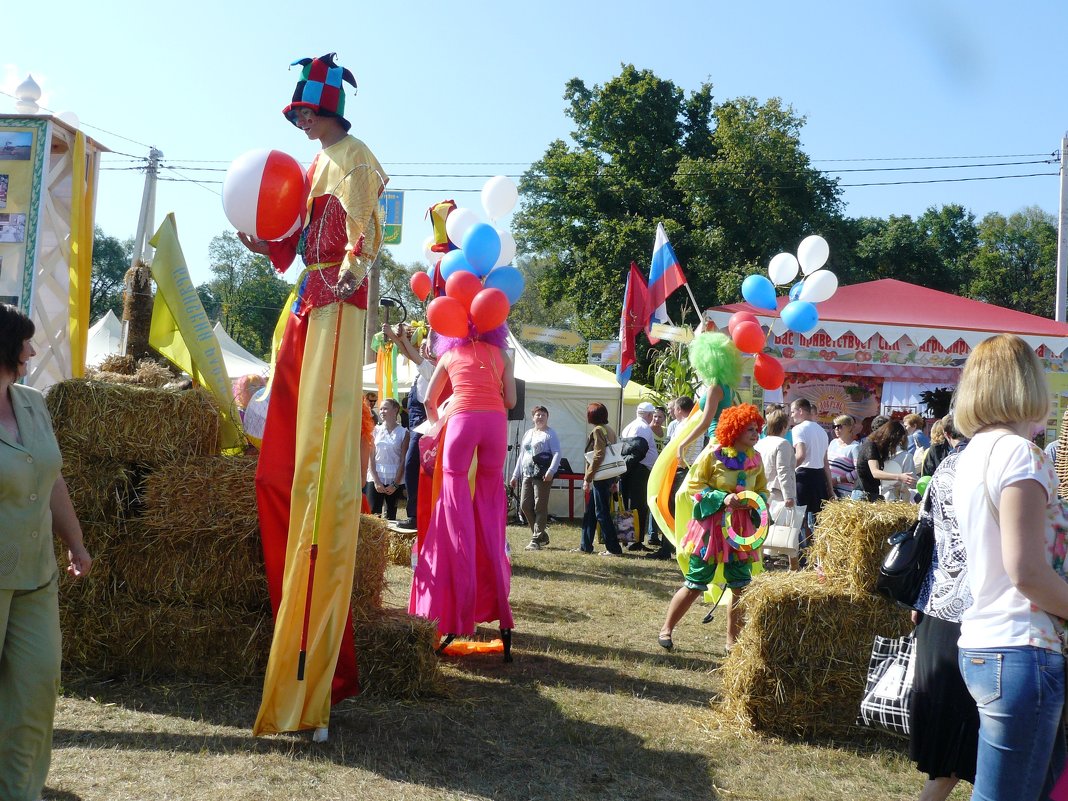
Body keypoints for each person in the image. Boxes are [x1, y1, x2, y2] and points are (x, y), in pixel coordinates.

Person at [239, 52, 387, 737]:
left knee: (317, 485)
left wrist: (336, 285)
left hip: (331, 315)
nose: (298, 121)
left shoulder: (354, 157)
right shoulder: (310, 168)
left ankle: (316, 675)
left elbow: (361, 243)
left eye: (303, 111)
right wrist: (261, 242)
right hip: (303, 315)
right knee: (280, 477)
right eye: (293, 112)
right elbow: (294, 242)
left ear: (325, 109)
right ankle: (299, 656)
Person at [951, 334, 1068, 801]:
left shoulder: (970, 455)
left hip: (988, 644)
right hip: (1023, 646)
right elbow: (1026, 572)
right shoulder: (1020, 454)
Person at [0, 303, 92, 799]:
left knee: (35, 690)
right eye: (24, 342)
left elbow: (51, 476)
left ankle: (21, 792)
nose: (32, 350)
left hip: (37, 576)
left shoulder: (33, 402)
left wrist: (74, 542)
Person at [409, 323, 517, 660]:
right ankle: (497, 607)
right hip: (495, 423)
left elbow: (428, 399)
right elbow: (511, 400)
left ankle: (455, 603)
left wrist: (437, 423)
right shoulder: (501, 354)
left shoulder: (450, 353)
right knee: (489, 505)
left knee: (453, 506)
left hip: (462, 420)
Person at [658, 403, 768, 652]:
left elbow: (762, 488)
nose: (754, 433)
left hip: (740, 530)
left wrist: (760, 504)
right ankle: (666, 629)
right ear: (735, 430)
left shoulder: (756, 458)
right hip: (712, 527)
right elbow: (694, 486)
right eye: (749, 429)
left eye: (756, 429)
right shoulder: (714, 454)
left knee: (740, 584)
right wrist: (722, 498)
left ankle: (732, 642)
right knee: (696, 582)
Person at [908, 415, 976, 801]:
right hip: (979, 616)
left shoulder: (947, 465)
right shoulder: (1011, 461)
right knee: (967, 742)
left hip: (939, 608)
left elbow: (925, 533)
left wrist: (919, 600)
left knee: (951, 746)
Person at [381, 323, 434, 532]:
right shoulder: (423, 370)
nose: (421, 347)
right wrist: (394, 338)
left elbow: (412, 355)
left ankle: (415, 515)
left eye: (426, 345)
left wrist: (400, 338)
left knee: (412, 464)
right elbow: (407, 352)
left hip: (425, 422)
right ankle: (415, 513)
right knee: (413, 468)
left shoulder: (432, 368)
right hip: (416, 423)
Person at [648, 395, 701, 561]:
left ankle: (668, 546)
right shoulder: (698, 423)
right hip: (691, 470)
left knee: (670, 507)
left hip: (680, 470)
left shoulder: (683, 425)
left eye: (674, 409)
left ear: (679, 410)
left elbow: (674, 450)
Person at [510, 405, 562, 551]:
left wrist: (551, 470)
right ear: (533, 417)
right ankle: (541, 535)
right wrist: (515, 475)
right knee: (525, 506)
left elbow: (557, 453)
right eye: (538, 415)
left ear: (547, 417)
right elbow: (522, 455)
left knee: (540, 506)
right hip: (527, 473)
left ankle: (536, 539)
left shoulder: (550, 434)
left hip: (542, 475)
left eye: (543, 415)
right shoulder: (528, 433)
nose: (540, 417)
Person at [754, 406, 799, 570]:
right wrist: (789, 496)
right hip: (778, 493)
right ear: (783, 426)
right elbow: (783, 471)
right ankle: (794, 567)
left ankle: (760, 562)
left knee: (762, 530)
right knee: (788, 530)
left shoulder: (760, 443)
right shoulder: (783, 444)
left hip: (762, 491)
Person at [575, 402, 623, 556]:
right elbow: (613, 456)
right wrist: (615, 479)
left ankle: (613, 548)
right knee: (591, 513)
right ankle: (585, 545)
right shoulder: (609, 429)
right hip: (609, 475)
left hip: (600, 476)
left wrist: (587, 477)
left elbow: (599, 455)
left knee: (601, 512)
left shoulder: (597, 430)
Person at [789, 398, 833, 549]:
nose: (792, 415)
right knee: (818, 518)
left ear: (801, 411)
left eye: (793, 411)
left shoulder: (798, 429)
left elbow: (800, 455)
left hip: (803, 477)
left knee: (800, 517)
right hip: (819, 476)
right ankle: (816, 550)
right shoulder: (822, 431)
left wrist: (787, 470)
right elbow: (826, 463)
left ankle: (803, 551)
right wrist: (830, 488)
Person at [620, 401, 658, 551]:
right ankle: (636, 541)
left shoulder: (628, 427)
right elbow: (638, 452)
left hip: (629, 470)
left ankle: (627, 538)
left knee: (629, 504)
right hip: (639, 471)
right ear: (648, 415)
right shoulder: (643, 428)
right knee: (639, 505)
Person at [364, 398, 409, 521]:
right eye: (381, 409)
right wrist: (376, 481)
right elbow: (371, 457)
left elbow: (403, 459)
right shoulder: (375, 431)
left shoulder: (404, 433)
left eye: (385, 408)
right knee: (373, 516)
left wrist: (395, 483)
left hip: (394, 478)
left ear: (395, 410)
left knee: (391, 516)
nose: (382, 411)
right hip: (376, 476)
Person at [855, 420, 915, 501]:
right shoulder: (870, 446)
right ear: (890, 437)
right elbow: (875, 472)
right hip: (863, 494)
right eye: (896, 441)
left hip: (872, 493)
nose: (896, 444)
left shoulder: (878, 448)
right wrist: (899, 477)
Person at [827, 414, 860, 499]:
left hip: (844, 493)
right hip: (828, 489)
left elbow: (858, 471)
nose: (836, 429)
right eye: (834, 426)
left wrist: (837, 480)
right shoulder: (833, 443)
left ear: (850, 428)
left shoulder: (855, 447)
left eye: (840, 426)